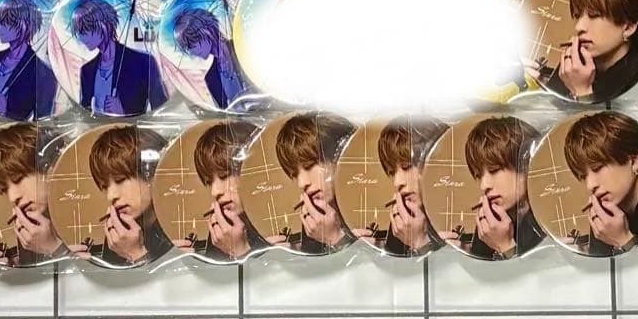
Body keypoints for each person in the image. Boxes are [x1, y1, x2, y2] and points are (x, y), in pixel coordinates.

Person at [532, 0, 638, 102]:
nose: (579, 26)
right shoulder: (576, 61)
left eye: (594, 15)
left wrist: (582, 92)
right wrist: (536, 83)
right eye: (577, 15)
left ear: (629, 27)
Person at [563, 111, 638, 256]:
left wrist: (624, 241)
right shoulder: (604, 218)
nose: (590, 185)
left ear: (633, 160)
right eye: (583, 176)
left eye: (597, 168)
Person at [453, 116, 542, 260]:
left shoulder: (547, 225)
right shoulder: (491, 225)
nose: (484, 185)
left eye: (494, 170)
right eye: (478, 175)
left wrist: (506, 247)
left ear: (526, 165)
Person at [0, 123, 65, 266]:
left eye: (18, 179)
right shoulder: (29, 229)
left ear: (49, 167)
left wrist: (54, 247)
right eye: (4, 189)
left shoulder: (82, 216)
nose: (12, 197)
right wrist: (12, 266)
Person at [85, 125, 170, 266]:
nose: (111, 196)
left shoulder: (177, 231)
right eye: (104, 186)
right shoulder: (118, 237)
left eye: (120, 180)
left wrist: (136, 254)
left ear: (152, 174)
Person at [360, 119, 445, 257]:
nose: (397, 182)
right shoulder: (402, 223)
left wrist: (419, 242)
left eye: (407, 166)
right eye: (392, 172)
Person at [69, 0, 166, 116]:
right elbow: (85, 113)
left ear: (103, 26)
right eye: (78, 32)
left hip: (131, 127)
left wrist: (123, 113)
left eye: (84, 30)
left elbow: (161, 111)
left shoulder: (142, 63)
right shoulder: (87, 70)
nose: (80, 38)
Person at [274, 112, 354, 254]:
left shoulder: (374, 212)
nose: (302, 183)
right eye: (294, 174)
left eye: (309, 166)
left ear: (341, 155)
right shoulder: (313, 223)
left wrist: (335, 238)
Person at [0, 0, 58, 120]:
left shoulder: (42, 73)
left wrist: (5, 112)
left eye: (4, 22)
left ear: (23, 25)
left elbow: (42, 122)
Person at [179, 121, 260, 260]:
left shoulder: (277, 228)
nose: (215, 192)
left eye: (224, 176)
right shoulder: (221, 233)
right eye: (209, 182)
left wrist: (240, 251)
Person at [170, 7, 248, 111]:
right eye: (187, 48)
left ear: (206, 32)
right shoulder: (210, 78)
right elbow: (223, 114)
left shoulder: (243, 48)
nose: (191, 52)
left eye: (191, 45)